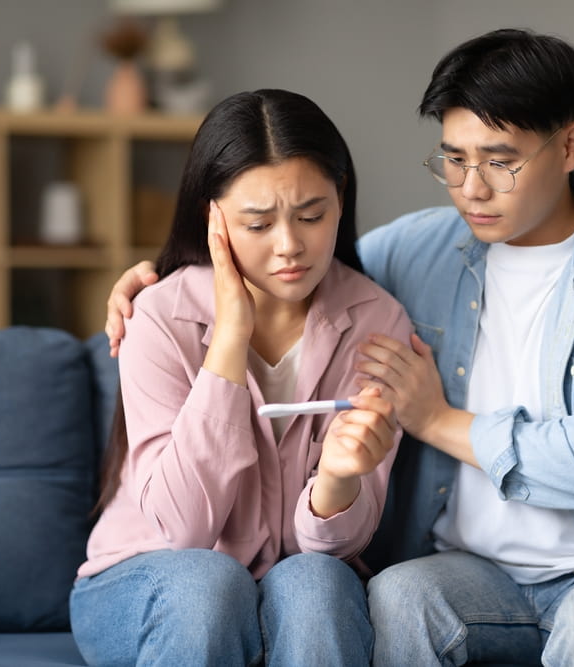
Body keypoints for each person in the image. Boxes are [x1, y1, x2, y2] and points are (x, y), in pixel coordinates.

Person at [105, 29, 574, 666]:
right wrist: (155, 280)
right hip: (467, 570)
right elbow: (289, 268)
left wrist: (437, 420)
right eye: (453, 159)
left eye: (500, 160)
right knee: (394, 597)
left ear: (570, 145)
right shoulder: (418, 248)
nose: (472, 188)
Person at [73, 88, 412, 667]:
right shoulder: (157, 316)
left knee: (318, 582)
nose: (290, 247)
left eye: (312, 215)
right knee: (209, 583)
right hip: (149, 576)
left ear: (341, 199)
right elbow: (183, 531)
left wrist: (336, 479)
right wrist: (229, 338)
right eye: (258, 224)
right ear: (214, 217)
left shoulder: (379, 321)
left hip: (294, 579)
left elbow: (338, 546)